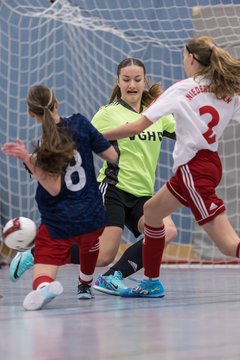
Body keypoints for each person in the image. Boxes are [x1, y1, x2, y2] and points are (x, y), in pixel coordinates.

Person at [8, 58, 177, 296]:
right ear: (118, 82)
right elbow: (76, 138)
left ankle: (112, 278)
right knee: (103, 255)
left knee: (167, 231)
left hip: (143, 194)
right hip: (113, 189)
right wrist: (37, 157)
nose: (132, 84)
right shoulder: (107, 114)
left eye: (137, 80)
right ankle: (36, 254)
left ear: (144, 82)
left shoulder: (157, 115)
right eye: (126, 79)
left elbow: (186, 133)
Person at [101, 35, 240, 298]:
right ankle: (151, 282)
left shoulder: (181, 89)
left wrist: (98, 137)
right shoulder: (227, 90)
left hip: (193, 170)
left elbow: (137, 125)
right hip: (207, 164)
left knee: (227, 244)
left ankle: (150, 280)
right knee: (153, 212)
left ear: (189, 58)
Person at [2, 84, 118, 310]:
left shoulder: (44, 148)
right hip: (94, 215)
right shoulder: (81, 123)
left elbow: (54, 188)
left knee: (44, 268)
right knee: (90, 242)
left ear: (30, 113)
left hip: (60, 222)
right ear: (56, 103)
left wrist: (27, 158)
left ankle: (44, 286)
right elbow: (112, 156)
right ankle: (85, 285)